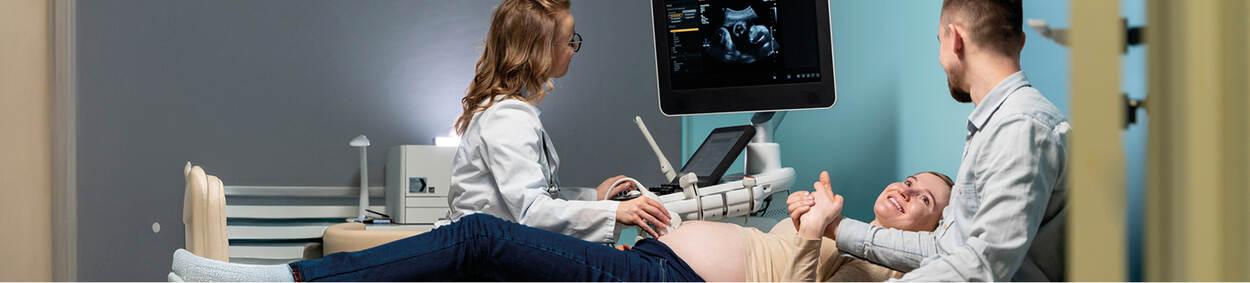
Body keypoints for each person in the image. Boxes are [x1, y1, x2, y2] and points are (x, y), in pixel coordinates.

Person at [169, 171, 955, 282]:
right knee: (472, 265)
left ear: (934, 231)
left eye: (925, 198)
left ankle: (266, 279)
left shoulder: (896, 269)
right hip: (649, 256)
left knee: (478, 235)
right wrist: (811, 222)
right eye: (912, 178)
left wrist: (825, 233)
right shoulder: (838, 221)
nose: (908, 188)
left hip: (665, 279)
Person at [796, 0, 1070, 281]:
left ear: (956, 39)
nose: (940, 57)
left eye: (940, 41)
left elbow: (984, 265)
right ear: (1020, 43)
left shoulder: (1020, 128)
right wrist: (837, 228)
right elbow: (945, 247)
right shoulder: (997, 126)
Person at [446, 0, 671, 242]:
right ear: (541, 49)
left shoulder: (507, 109)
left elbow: (534, 199)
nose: (574, 49)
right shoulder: (507, 118)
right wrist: (615, 211)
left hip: (498, 245)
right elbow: (531, 212)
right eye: (570, 41)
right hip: (490, 255)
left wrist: (593, 196)